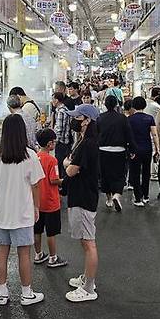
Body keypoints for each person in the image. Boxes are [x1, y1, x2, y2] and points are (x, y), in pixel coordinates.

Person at [0, 113, 46, 306]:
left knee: (2, 252)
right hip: (22, 213)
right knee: (24, 254)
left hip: (1, 212)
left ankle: (2, 293)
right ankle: (26, 293)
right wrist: (37, 207)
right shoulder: (30, 155)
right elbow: (36, 185)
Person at [63, 104, 100, 302]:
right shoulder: (84, 140)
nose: (74, 121)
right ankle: (87, 278)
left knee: (88, 243)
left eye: (77, 117)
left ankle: (89, 288)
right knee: (85, 241)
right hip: (81, 195)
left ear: (86, 120)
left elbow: (70, 170)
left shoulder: (88, 144)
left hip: (85, 197)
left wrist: (67, 163)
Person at [33, 128, 68, 268]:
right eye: (54, 141)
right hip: (51, 202)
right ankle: (53, 258)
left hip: (37, 201)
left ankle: (38, 254)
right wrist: (64, 181)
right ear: (49, 144)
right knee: (51, 232)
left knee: (37, 230)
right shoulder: (52, 160)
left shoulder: (34, 157)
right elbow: (54, 180)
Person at [97, 95, 136, 212]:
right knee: (119, 174)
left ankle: (108, 199)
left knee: (105, 175)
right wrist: (132, 149)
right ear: (116, 105)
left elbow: (96, 134)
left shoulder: (100, 118)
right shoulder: (122, 118)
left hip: (103, 150)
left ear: (105, 104)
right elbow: (129, 135)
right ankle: (117, 195)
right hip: (119, 151)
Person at [128, 97, 160, 207]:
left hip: (134, 150)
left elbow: (127, 136)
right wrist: (157, 149)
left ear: (133, 106)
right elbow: (154, 134)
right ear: (144, 106)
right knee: (146, 173)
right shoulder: (149, 118)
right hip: (147, 149)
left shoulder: (129, 119)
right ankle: (146, 196)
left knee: (135, 174)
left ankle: (138, 198)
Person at [51, 91, 72, 179]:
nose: (51, 101)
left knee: (60, 164)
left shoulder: (61, 111)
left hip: (62, 142)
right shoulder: (64, 109)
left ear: (56, 100)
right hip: (65, 142)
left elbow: (59, 129)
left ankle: (62, 185)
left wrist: (54, 141)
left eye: (53, 99)